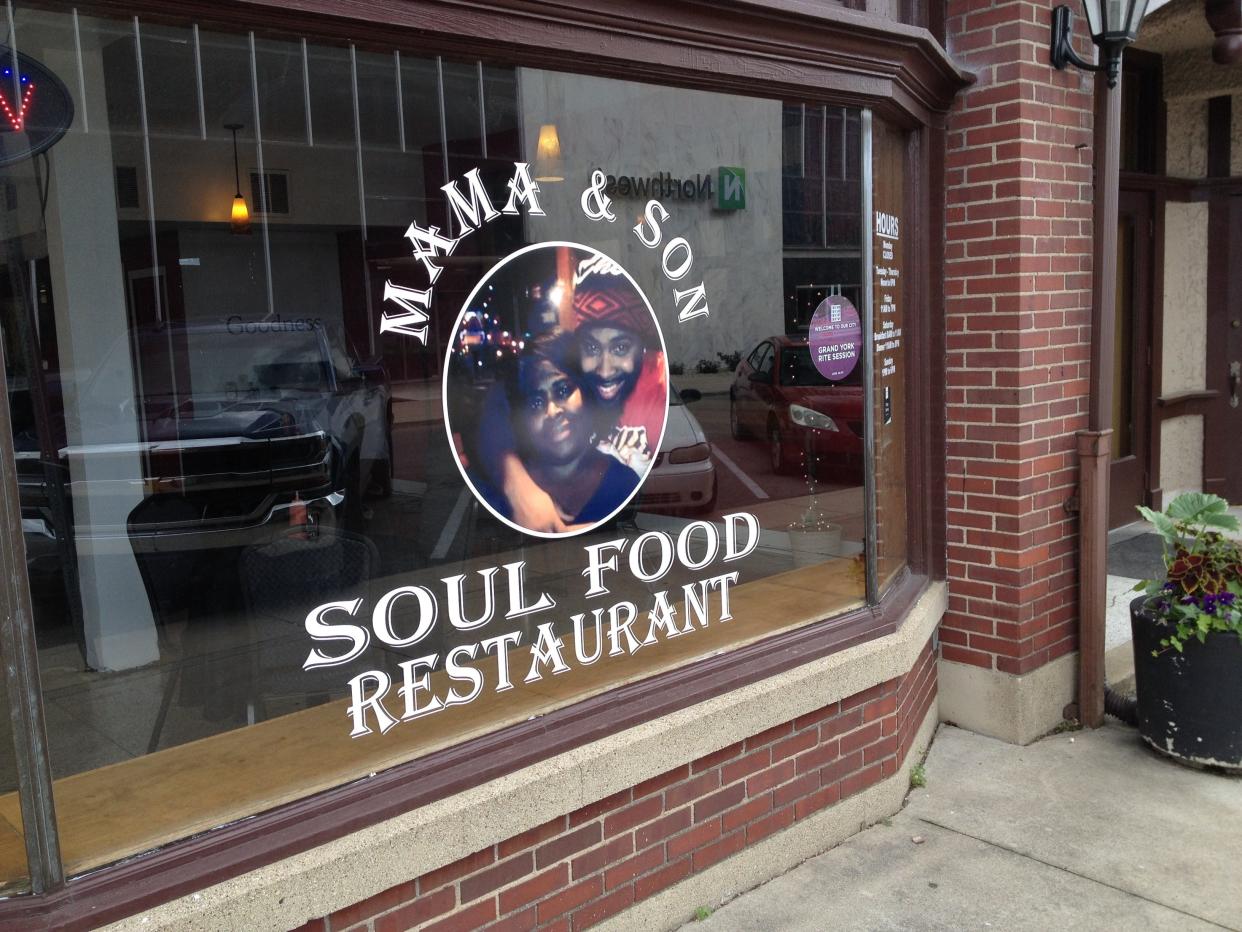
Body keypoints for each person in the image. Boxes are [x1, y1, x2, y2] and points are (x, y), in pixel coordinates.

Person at [476, 254, 667, 533]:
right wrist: (511, 476)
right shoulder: (499, 494)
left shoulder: (657, 386)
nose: (604, 370)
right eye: (590, 348)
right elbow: (493, 405)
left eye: (620, 347)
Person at [470, 330, 640, 528]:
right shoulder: (495, 492)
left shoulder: (624, 484)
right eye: (535, 402)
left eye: (563, 390)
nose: (552, 411)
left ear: (588, 394)